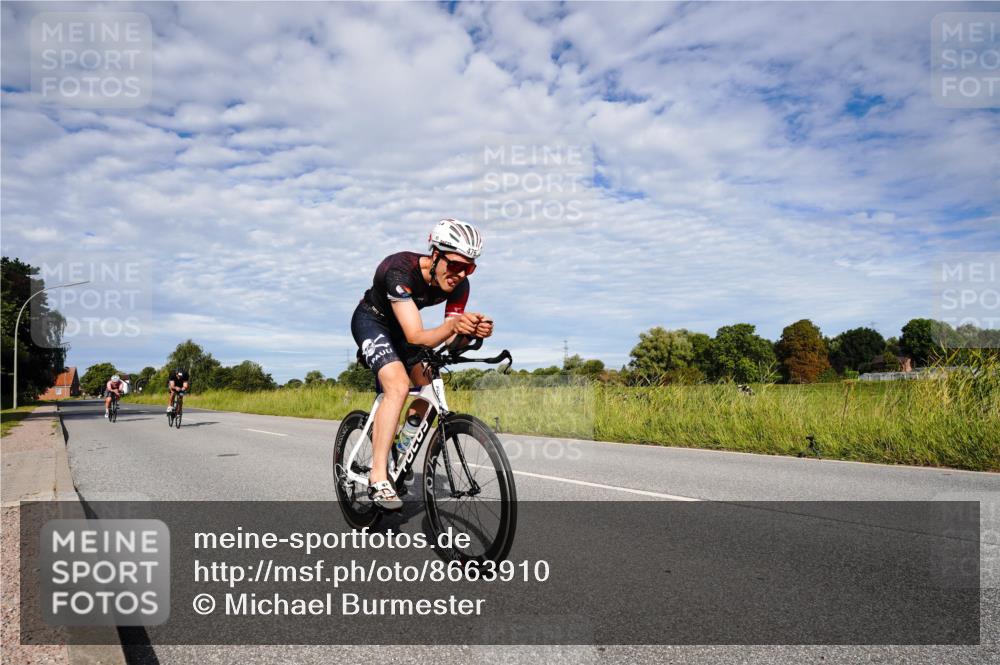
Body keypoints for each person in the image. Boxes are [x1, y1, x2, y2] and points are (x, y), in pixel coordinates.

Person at [351, 218, 493, 509]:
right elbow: (418, 335)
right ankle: (379, 477)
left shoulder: (459, 285)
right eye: (455, 265)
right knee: (398, 386)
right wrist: (455, 327)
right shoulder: (399, 270)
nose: (461, 274)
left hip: (403, 331)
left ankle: (402, 446)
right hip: (373, 321)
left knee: (430, 390)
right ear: (436, 254)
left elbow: (448, 343)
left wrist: (467, 333)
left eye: (469, 267)